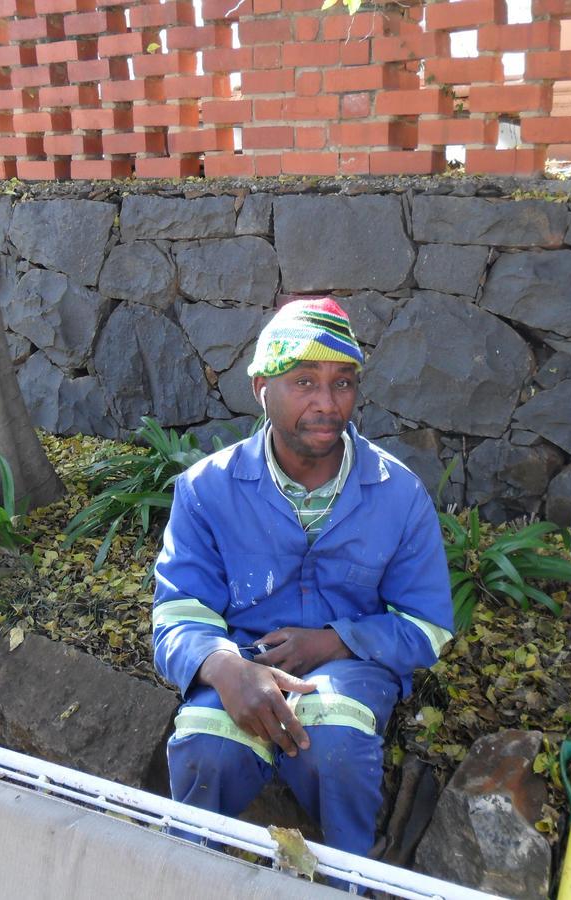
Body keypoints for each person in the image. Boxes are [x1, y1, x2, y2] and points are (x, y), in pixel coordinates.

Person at [151, 297, 454, 856]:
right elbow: (178, 612)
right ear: (262, 387)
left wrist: (337, 640)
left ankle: (349, 880)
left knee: (336, 749)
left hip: (352, 671)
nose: (326, 403)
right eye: (304, 381)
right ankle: (190, 874)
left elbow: (427, 625)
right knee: (204, 748)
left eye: (343, 383)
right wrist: (225, 669)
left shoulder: (398, 494)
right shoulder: (206, 490)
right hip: (243, 661)